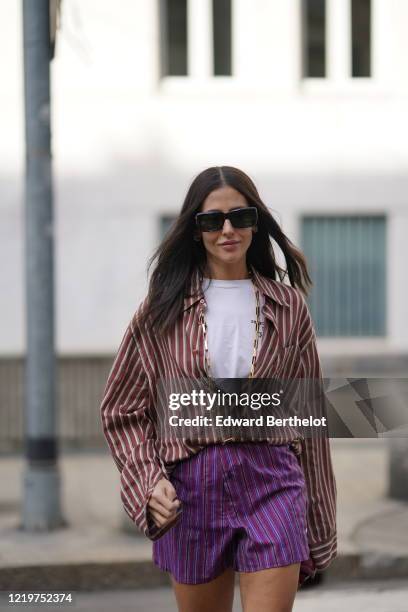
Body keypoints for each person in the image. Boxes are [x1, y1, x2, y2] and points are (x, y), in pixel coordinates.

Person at [100, 166, 337, 612]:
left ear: (256, 222)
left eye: (239, 216)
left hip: (274, 481)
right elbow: (122, 410)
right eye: (212, 220)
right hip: (193, 490)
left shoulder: (288, 308)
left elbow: (309, 420)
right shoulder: (161, 310)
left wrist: (319, 523)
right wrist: (148, 483)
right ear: (196, 230)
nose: (227, 230)